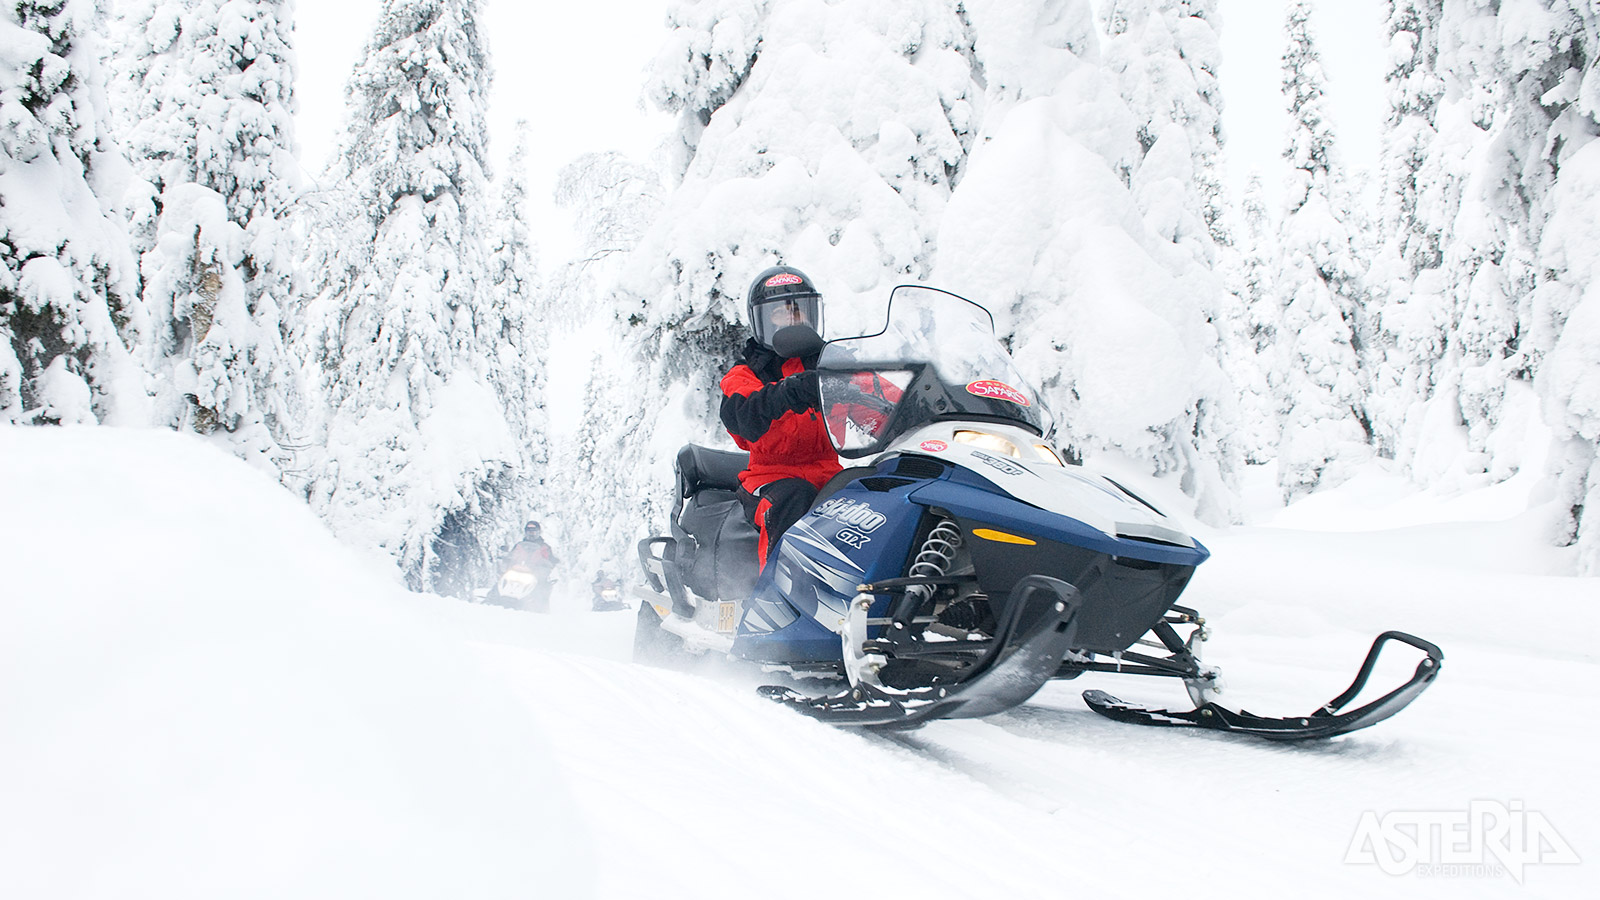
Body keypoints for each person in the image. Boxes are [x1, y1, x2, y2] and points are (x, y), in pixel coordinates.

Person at [720, 266, 842, 567]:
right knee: (792, 498)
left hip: (831, 473)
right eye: (780, 313)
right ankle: (778, 600)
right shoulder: (747, 372)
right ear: (761, 320)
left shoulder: (833, 363)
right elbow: (742, 416)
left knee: (876, 493)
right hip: (770, 478)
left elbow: (875, 393)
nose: (792, 319)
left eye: (798, 311)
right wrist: (790, 391)